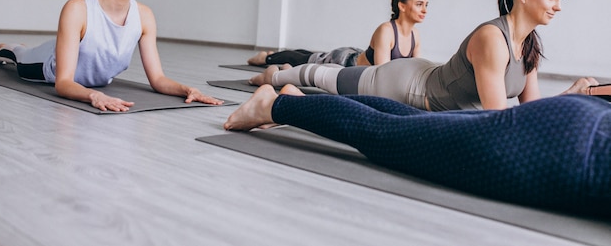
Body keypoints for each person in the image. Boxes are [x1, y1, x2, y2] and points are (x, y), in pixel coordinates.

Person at [249, 0, 597, 110]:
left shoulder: (530, 46)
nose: (558, 6)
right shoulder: (494, 38)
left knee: (332, 80)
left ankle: (281, 76)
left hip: (426, 78)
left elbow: (530, 110)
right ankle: (276, 72)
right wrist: (570, 97)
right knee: (328, 77)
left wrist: (573, 94)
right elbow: (499, 119)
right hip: (406, 85)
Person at [224, 84, 611, 216]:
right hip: (566, 153)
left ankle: (293, 100)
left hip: (577, 124)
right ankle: (274, 104)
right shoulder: (494, 36)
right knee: (388, 134)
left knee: (410, 123)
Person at [0, 0, 223, 112]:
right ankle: (6, 47)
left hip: (90, 74)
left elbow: (158, 80)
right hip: (45, 66)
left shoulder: (144, 16)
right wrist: (93, 96)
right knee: (19, 55)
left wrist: (188, 90)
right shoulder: (77, 9)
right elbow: (63, 83)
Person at [247, 0, 428, 67]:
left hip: (357, 56)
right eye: (419, 4)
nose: (425, 10)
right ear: (402, 6)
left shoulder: (416, 36)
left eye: (426, 5)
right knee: (303, 61)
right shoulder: (386, 31)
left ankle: (274, 54)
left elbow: (413, 69)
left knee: (312, 56)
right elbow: (382, 74)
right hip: (344, 61)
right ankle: (266, 58)